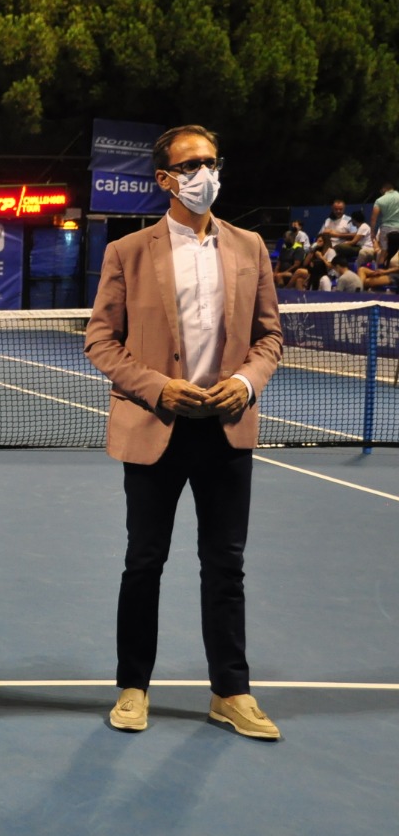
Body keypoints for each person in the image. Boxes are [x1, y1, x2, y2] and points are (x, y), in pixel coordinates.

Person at [84, 124, 284, 740]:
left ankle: (232, 692)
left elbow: (270, 336)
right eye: (191, 165)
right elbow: (100, 341)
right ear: (165, 179)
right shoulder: (129, 251)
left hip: (226, 430)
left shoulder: (251, 246)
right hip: (155, 427)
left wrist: (247, 383)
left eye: (212, 162)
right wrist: (155, 386)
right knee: (143, 562)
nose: (206, 174)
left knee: (226, 565)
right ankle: (132, 688)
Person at [372, 181, 399, 265]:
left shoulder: (379, 200)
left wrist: (372, 232)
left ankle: (379, 272)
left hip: (386, 228)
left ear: (384, 189)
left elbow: (373, 218)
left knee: (384, 251)